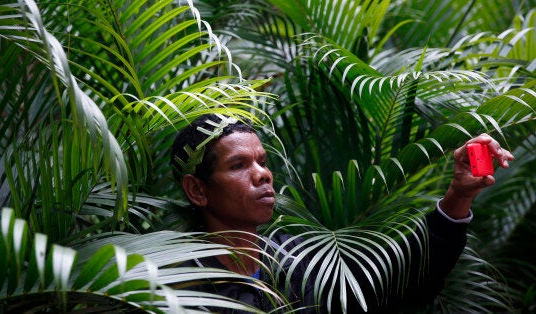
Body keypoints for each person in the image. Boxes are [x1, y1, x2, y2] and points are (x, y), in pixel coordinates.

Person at [170, 113, 514, 313]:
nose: (262, 174)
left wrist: (458, 194)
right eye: (238, 165)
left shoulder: (298, 261)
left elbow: (396, 287)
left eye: (262, 161)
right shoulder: (180, 291)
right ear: (197, 189)